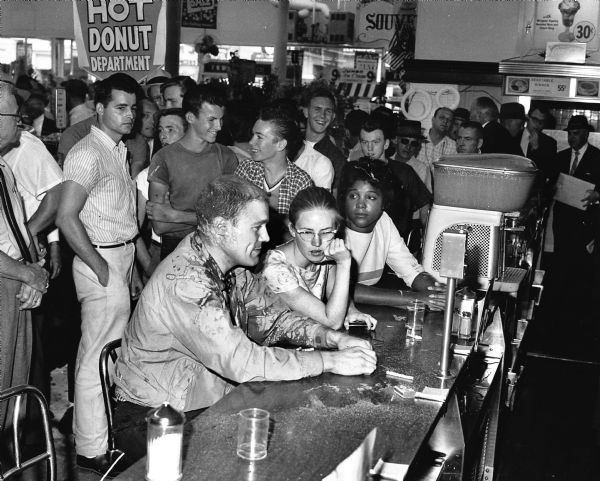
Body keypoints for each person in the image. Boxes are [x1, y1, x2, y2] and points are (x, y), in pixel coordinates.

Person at [113, 176, 377, 464]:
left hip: (201, 399)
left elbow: (275, 318)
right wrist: (329, 361)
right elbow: (243, 362)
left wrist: (332, 338)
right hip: (155, 418)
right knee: (279, 448)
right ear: (220, 229)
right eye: (256, 228)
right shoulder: (187, 280)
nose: (265, 237)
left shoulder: (226, 264)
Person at [55, 73, 143, 476]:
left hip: (118, 259)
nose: (130, 115)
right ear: (100, 108)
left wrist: (132, 266)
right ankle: (90, 449)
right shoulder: (87, 153)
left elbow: (123, 217)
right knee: (96, 357)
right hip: (100, 261)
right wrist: (100, 265)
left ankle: (99, 439)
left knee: (109, 357)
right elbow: (66, 217)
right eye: (121, 108)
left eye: (134, 108)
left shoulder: (118, 150)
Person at [0, 75, 49, 430]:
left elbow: (17, 228)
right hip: (5, 283)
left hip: (16, 284)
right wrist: (28, 273)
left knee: (13, 388)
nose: (22, 123)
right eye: (16, 117)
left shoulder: (3, 167)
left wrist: (33, 267)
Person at [259, 186, 377, 330]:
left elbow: (337, 292)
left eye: (326, 232)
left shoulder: (325, 253)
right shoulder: (276, 269)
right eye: (307, 232)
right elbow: (332, 322)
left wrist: (351, 311)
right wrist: (344, 263)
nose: (317, 242)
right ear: (292, 230)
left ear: (336, 229)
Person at [338, 159, 445, 309]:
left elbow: (410, 270)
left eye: (371, 197)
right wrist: (414, 299)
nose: (360, 204)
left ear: (384, 203)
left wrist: (439, 293)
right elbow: (342, 288)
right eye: (354, 196)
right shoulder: (333, 229)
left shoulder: (383, 222)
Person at [147, 85, 238, 259]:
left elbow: (229, 219)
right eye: (211, 120)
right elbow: (159, 225)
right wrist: (207, 219)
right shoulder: (164, 157)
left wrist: (175, 215)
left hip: (216, 250)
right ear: (190, 117)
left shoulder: (226, 156)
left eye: (221, 119)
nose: (218, 126)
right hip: (175, 251)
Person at [548, 115, 600, 322]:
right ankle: (560, 311)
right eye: (569, 133)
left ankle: (579, 312)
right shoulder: (560, 157)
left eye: (576, 133)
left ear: (586, 134)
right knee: (561, 264)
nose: (572, 138)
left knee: (582, 268)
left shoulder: (598, 158)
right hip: (562, 221)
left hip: (586, 223)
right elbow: (550, 183)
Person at [235, 107, 313, 242]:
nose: (251, 142)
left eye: (259, 137)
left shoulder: (300, 182)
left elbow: (303, 232)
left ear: (280, 144)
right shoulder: (246, 169)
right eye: (253, 135)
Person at [135, 109, 187, 280]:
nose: (164, 136)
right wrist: (148, 266)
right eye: (160, 130)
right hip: (159, 250)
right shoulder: (146, 175)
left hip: (195, 251)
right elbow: (132, 229)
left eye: (170, 130)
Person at [295, 88, 338, 190]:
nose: (322, 116)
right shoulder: (290, 143)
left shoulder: (335, 158)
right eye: (317, 109)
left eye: (328, 111)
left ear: (333, 117)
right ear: (306, 112)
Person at [417, 107, 457, 172]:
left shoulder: (453, 146)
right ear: (433, 119)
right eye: (442, 118)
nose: (445, 121)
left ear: (451, 125)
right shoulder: (418, 138)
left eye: (449, 120)